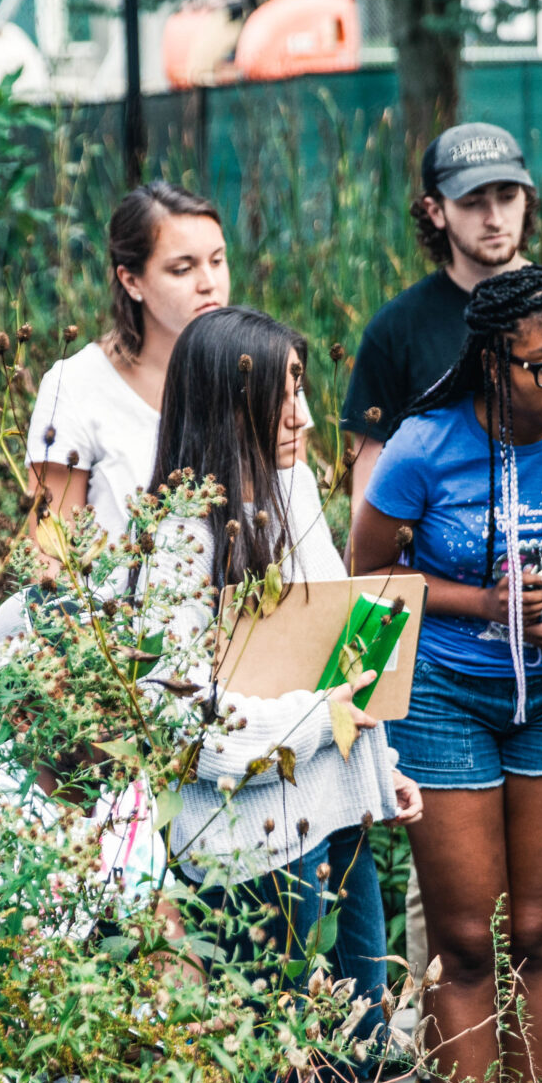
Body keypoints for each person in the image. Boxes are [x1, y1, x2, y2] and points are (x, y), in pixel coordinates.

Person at [340, 122, 542, 1083]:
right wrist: (474, 611)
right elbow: (367, 568)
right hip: (446, 686)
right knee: (462, 931)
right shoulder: (418, 411)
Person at [141, 307, 421, 1004]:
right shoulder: (181, 541)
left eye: (301, 388)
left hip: (333, 815)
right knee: (282, 1072)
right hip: (250, 848)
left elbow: (335, 653)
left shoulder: (288, 492)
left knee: (358, 1038)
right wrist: (322, 717)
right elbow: (182, 730)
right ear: (228, 408)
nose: (303, 416)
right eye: (283, 395)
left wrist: (380, 771)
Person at [24, 181, 231, 556]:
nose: (210, 283)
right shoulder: (75, 386)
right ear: (131, 280)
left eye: (217, 260)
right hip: (113, 613)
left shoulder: (259, 367)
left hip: (245, 612)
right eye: (183, 269)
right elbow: (50, 555)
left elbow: (293, 514)